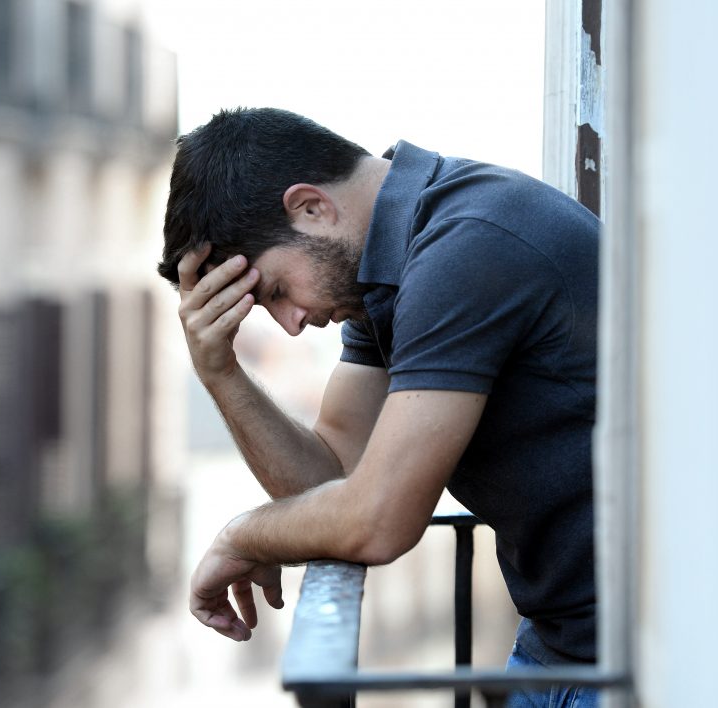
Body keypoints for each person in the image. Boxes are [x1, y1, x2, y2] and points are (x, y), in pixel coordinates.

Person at [157, 107, 600, 707]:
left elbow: (377, 520)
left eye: (277, 292)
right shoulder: (388, 277)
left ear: (311, 206)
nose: (291, 326)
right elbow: (331, 478)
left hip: (641, 654)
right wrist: (221, 373)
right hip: (561, 646)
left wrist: (245, 535)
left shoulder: (466, 247)